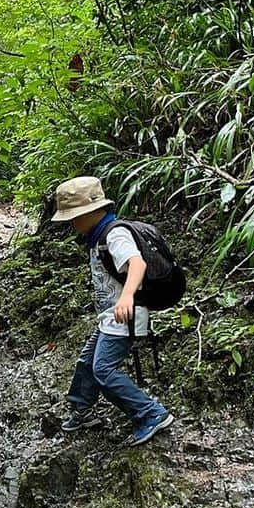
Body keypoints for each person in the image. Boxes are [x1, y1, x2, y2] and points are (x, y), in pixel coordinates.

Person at [51, 175, 174, 446]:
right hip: (110, 318)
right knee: (87, 362)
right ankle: (81, 410)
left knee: (103, 370)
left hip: (125, 317)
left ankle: (151, 413)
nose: (71, 224)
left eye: (73, 217)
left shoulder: (115, 234)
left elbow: (137, 264)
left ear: (92, 211)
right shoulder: (98, 237)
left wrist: (127, 296)